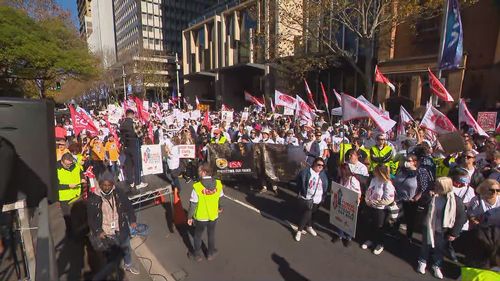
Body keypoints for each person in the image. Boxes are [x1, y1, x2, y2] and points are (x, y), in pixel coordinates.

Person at [87, 171, 139, 276]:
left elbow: (128, 206)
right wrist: (98, 231)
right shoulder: (93, 199)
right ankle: (113, 272)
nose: (106, 188)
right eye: (104, 185)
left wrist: (132, 220)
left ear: (113, 185)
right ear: (100, 184)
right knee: (111, 256)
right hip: (106, 233)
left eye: (109, 185)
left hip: (121, 228)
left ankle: (128, 265)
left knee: (126, 249)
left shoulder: (118, 193)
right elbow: (91, 219)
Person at [417, 177, 466, 279]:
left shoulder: (455, 201)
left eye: (438, 186)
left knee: (439, 248)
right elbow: (421, 204)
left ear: (444, 187)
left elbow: (461, 218)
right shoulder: (433, 196)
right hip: (429, 226)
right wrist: (428, 197)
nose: (435, 187)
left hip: (443, 229)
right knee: (425, 245)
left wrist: (454, 233)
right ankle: (422, 261)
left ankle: (437, 265)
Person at [187, 163, 224, 261]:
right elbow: (220, 198)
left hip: (201, 217)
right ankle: (210, 254)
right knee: (211, 234)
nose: (198, 173)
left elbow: (193, 204)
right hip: (213, 215)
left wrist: (189, 217)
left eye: (199, 171)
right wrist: (220, 207)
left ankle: (197, 255)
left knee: (198, 235)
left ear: (204, 172)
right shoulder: (218, 184)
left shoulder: (197, 187)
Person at [361, 164, 395, 255]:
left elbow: (390, 198)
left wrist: (378, 202)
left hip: (381, 209)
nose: (373, 172)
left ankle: (380, 244)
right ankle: (370, 239)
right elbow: (369, 190)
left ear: (380, 172)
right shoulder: (374, 180)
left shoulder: (387, 183)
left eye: (375, 171)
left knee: (380, 226)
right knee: (370, 223)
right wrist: (367, 200)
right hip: (370, 206)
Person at [294, 157, 328, 242]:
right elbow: (299, 182)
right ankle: (299, 231)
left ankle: (309, 226)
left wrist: (323, 196)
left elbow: (325, 185)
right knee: (307, 213)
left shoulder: (323, 174)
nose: (320, 167)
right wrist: (300, 192)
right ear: (314, 164)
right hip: (308, 197)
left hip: (318, 199)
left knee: (311, 214)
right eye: (319, 165)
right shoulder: (306, 172)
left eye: (322, 166)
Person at [57, 152, 86, 237]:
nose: (69, 166)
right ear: (62, 161)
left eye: (70, 164)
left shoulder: (75, 165)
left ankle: (81, 234)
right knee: (68, 219)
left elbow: (81, 174)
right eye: (67, 165)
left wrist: (83, 178)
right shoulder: (55, 169)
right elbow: (55, 185)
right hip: (65, 198)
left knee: (80, 216)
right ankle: (71, 235)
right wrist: (68, 186)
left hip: (77, 196)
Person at [119, 109, 148, 189]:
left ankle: (131, 182)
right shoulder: (133, 123)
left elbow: (121, 136)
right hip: (134, 145)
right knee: (137, 164)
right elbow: (140, 134)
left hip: (126, 146)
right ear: (131, 115)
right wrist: (141, 127)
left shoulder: (122, 124)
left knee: (128, 164)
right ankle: (138, 183)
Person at [393, 154, 419, 242]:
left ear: (414, 162)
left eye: (409, 161)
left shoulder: (419, 174)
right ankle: (394, 233)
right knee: (397, 217)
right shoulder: (401, 170)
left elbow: (423, 188)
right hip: (398, 198)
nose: (406, 162)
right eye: (406, 160)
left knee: (410, 219)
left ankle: (409, 236)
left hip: (410, 201)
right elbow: (395, 180)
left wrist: (416, 198)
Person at [335, 163, 361, 247]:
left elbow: (358, 193)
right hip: (342, 202)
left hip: (350, 204)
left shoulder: (352, 180)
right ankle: (340, 235)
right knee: (340, 219)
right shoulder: (342, 179)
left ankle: (348, 238)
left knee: (349, 221)